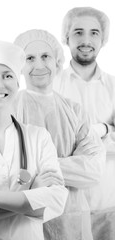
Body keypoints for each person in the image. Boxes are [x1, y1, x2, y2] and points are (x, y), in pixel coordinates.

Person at [0, 40, 68, 240]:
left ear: (18, 83)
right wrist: (30, 194)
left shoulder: (38, 137)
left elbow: (56, 201)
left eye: (8, 76)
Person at [14, 29, 105, 240]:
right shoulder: (9, 109)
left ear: (57, 61)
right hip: (25, 217)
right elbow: (4, 169)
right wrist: (68, 165)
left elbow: (93, 168)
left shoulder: (74, 110)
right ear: (19, 65)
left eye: (45, 56)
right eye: (30, 58)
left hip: (71, 218)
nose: (39, 65)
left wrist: (39, 169)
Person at [53, 7, 115, 239]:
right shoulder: (51, 86)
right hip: (64, 205)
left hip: (108, 201)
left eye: (94, 33)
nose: (86, 40)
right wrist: (106, 132)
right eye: (78, 32)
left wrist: (94, 135)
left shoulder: (113, 87)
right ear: (66, 37)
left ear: (104, 39)